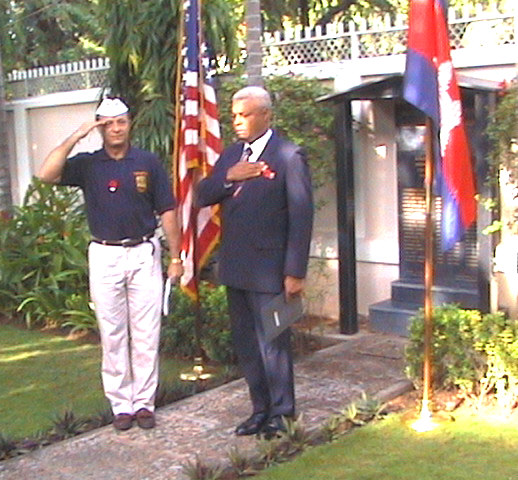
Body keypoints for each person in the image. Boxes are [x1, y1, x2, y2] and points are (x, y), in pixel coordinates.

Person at [37, 97, 183, 431]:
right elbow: (46, 173)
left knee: (147, 333)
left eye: (121, 122)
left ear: (130, 124)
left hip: (144, 253)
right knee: (113, 333)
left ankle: (144, 403)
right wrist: (77, 135)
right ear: (100, 126)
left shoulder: (147, 161)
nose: (115, 129)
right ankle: (121, 406)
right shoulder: (88, 164)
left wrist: (176, 257)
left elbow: (168, 210)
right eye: (107, 123)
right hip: (105, 255)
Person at [196, 86, 314, 436]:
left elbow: (301, 216)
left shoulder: (288, 156)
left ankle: (282, 413)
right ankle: (259, 409)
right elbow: (202, 195)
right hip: (235, 268)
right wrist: (229, 176)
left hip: (271, 272)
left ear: (265, 115)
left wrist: (294, 272)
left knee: (273, 345)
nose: (237, 122)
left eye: (244, 115)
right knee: (247, 345)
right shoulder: (232, 155)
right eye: (233, 116)